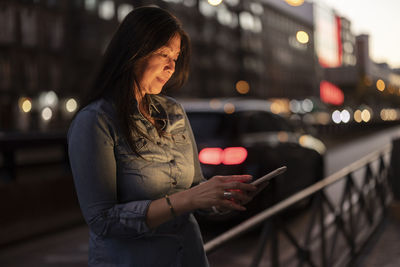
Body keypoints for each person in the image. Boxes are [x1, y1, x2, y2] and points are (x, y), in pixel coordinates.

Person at [67, 6, 257, 267]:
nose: (171, 66)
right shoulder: (96, 120)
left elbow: (193, 190)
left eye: (175, 57)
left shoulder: (174, 112)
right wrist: (188, 199)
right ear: (133, 52)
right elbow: (103, 220)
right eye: (164, 54)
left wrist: (218, 199)